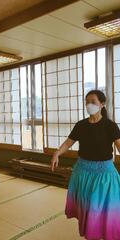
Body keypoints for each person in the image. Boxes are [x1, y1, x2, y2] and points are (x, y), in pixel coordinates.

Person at [51, 90, 120, 240]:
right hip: (82, 173)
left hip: (104, 176)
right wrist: (57, 153)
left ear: (102, 104)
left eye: (93, 102)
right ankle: (92, 235)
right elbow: (68, 143)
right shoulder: (81, 125)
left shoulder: (111, 126)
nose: (89, 105)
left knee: (103, 209)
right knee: (87, 209)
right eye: (87, 102)